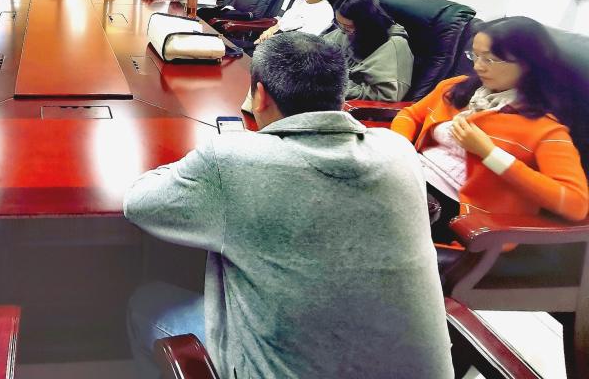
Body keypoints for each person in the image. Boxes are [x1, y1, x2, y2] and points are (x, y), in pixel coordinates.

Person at [125, 32, 452, 378]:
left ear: (259, 95)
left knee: (146, 303)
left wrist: (224, 159)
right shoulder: (400, 152)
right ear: (341, 96)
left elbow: (139, 202)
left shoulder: (233, 159)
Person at [391, 16, 589, 244]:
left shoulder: (545, 129)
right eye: (475, 55)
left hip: (452, 207)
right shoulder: (455, 88)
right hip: (409, 173)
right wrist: (399, 149)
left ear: (527, 64)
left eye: (490, 59)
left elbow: (575, 204)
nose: (478, 66)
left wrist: (489, 154)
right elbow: (410, 115)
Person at [322, 0, 414, 101]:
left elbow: (387, 95)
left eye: (348, 27)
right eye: (339, 23)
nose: (342, 31)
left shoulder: (394, 46)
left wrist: (335, 86)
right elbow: (322, 46)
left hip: (356, 105)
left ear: (365, 24)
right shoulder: (348, 31)